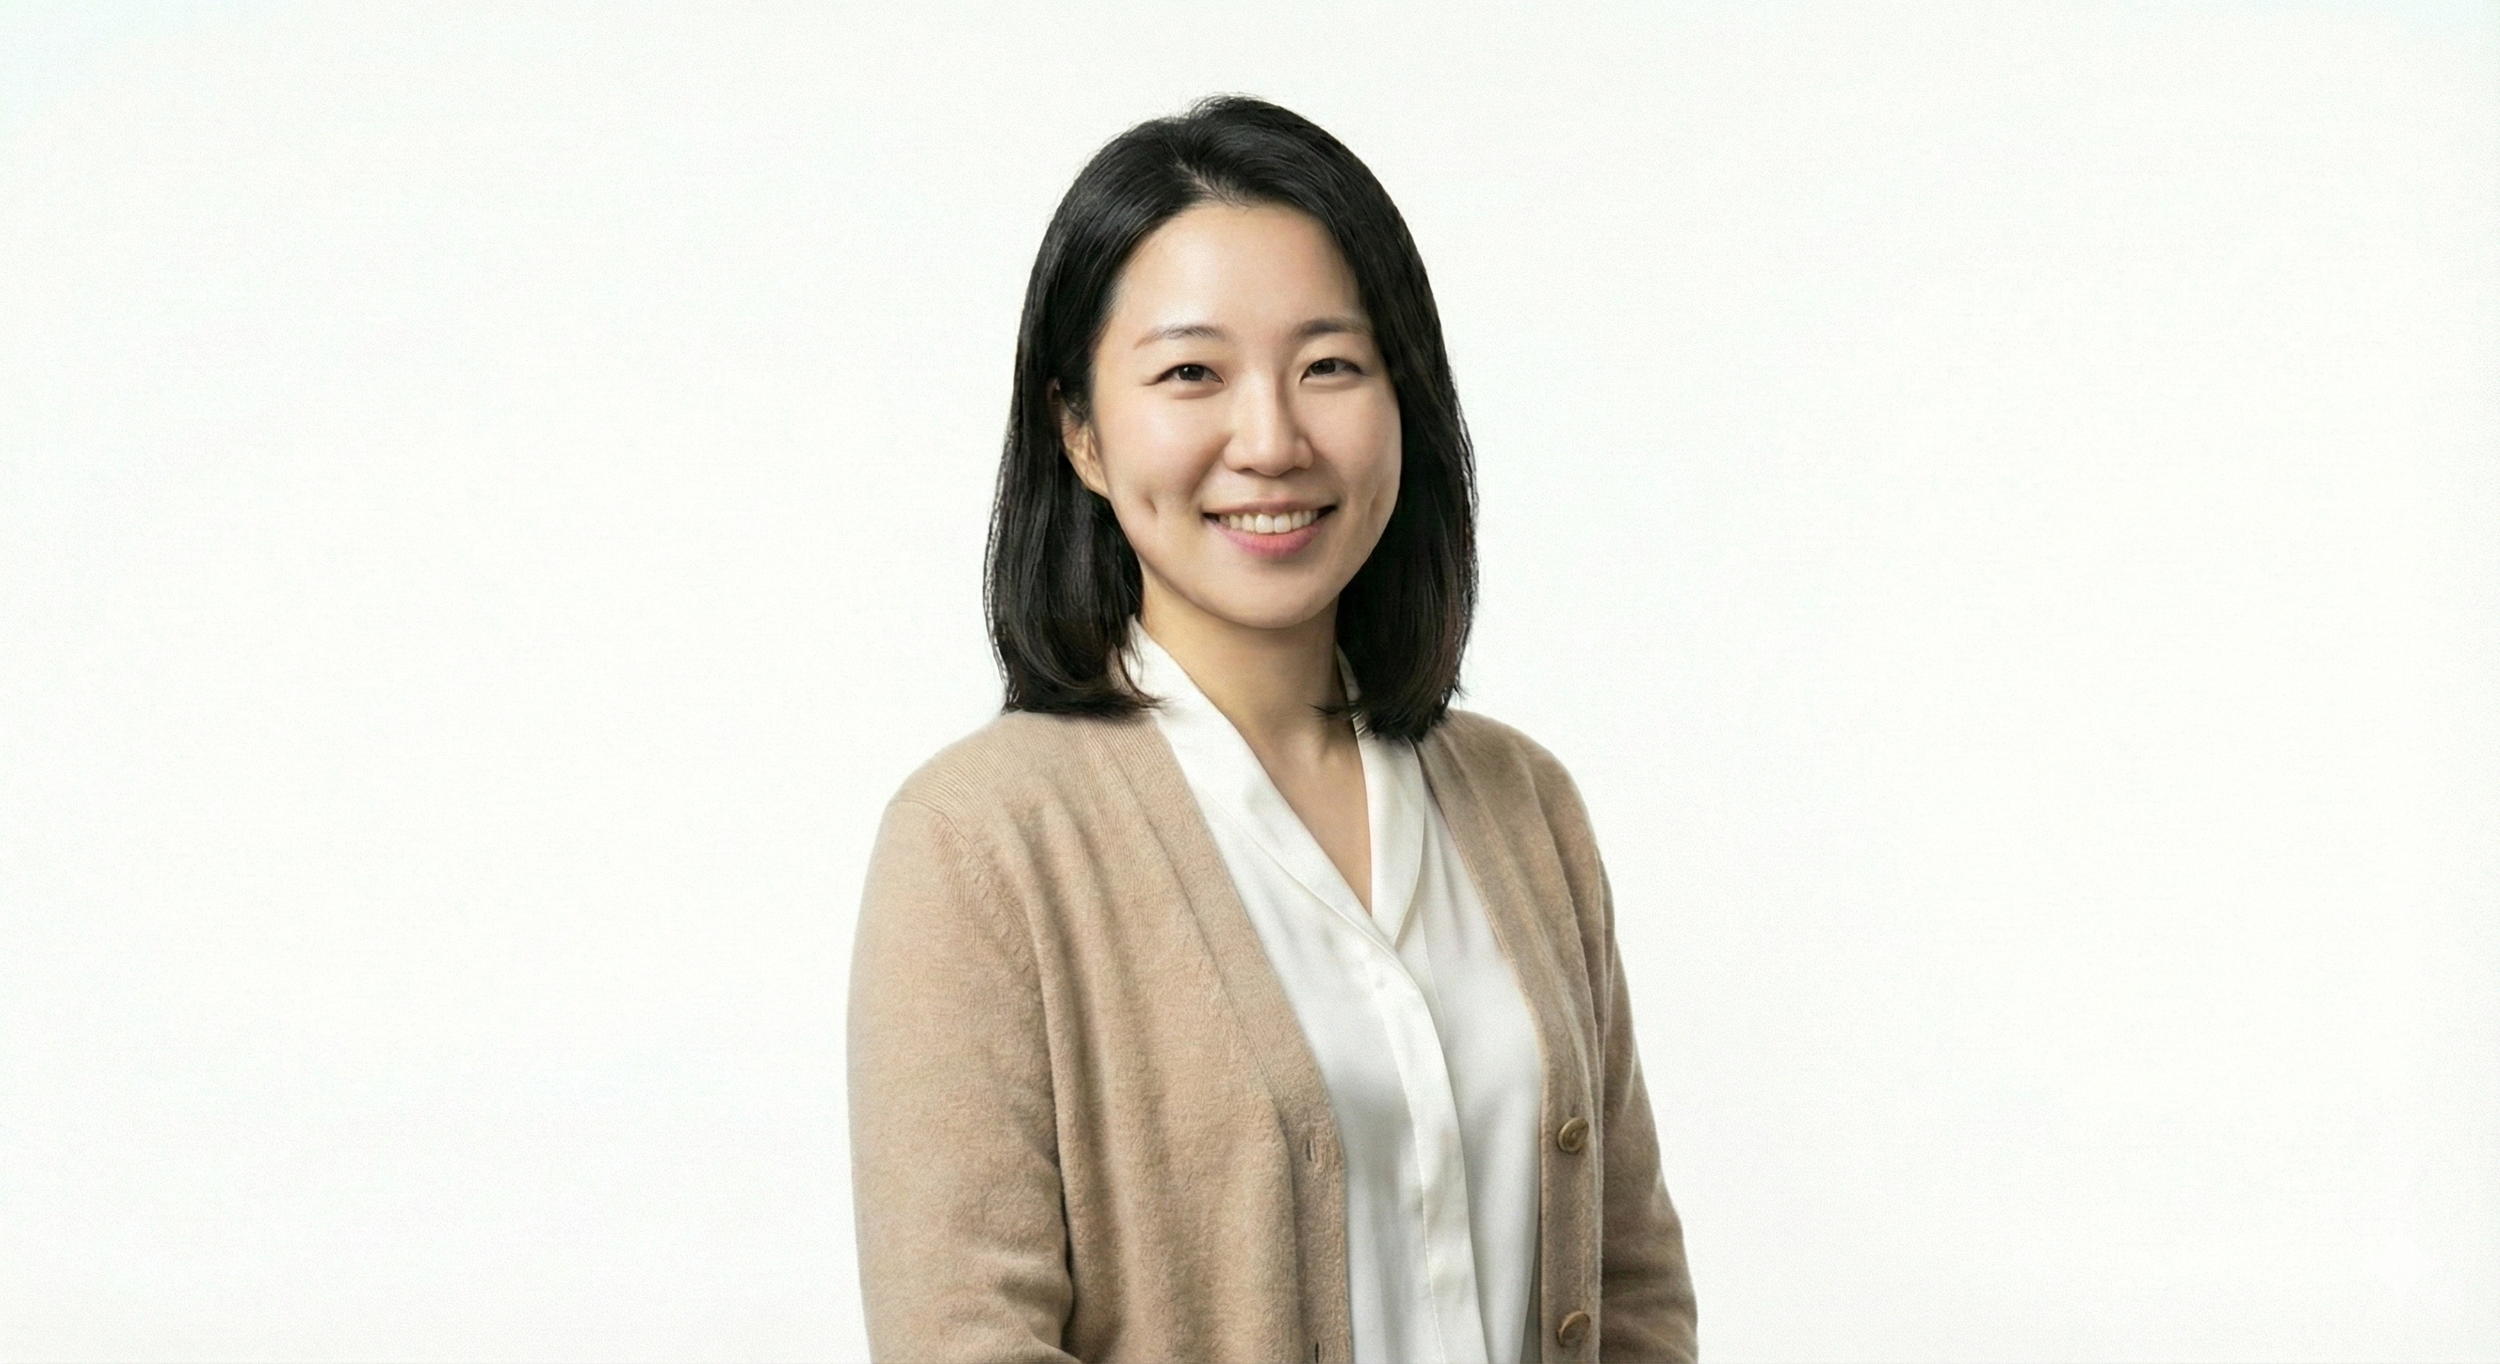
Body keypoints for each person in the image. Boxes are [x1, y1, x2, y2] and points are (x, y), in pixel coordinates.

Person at [848, 95, 1696, 1364]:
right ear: (1078, 428)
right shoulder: (980, 846)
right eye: (1191, 372)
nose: (1272, 439)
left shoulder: (1524, 803)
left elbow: (1628, 1286)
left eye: (1330, 366)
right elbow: (964, 1337)